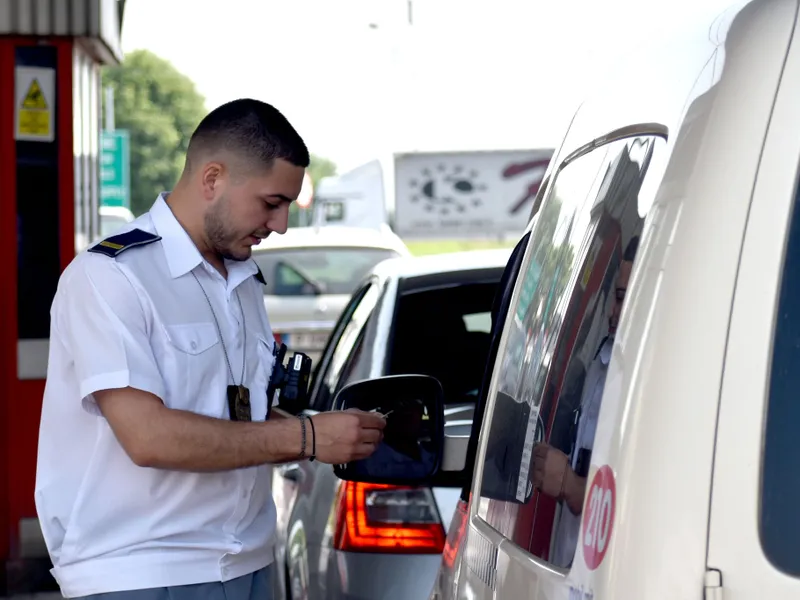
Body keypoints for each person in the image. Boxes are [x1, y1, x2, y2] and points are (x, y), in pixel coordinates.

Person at [34, 99, 386, 600]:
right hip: (142, 571)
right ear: (213, 178)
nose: (282, 224)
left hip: (249, 561)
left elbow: (234, 416)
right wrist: (305, 438)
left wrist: (336, 430)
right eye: (271, 203)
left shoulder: (242, 278)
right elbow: (148, 437)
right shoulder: (111, 274)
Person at [531, 235, 639, 567]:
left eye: (621, 298)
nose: (612, 311)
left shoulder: (654, 381)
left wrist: (571, 486)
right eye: (612, 297)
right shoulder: (600, 361)